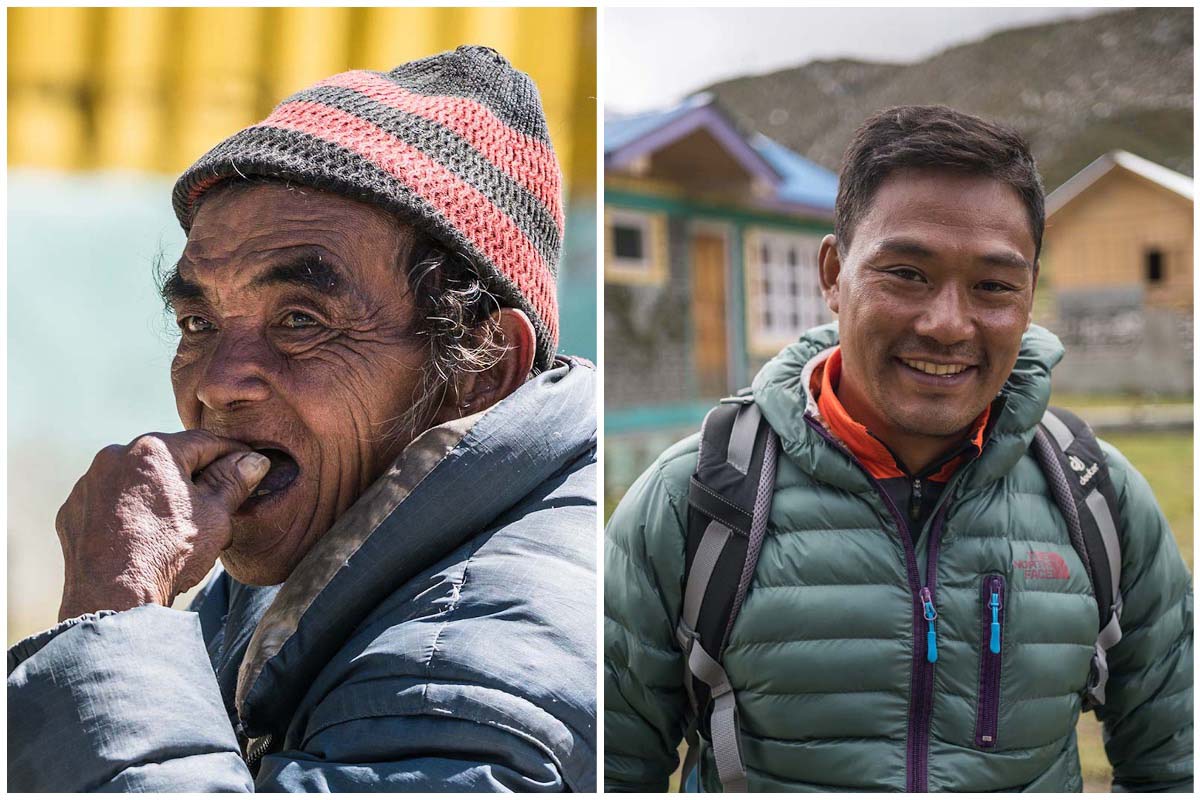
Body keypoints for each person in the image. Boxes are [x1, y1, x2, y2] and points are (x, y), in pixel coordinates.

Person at [9, 46, 596, 792]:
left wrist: (113, 615)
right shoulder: (338, 533)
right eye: (197, 322)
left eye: (299, 319)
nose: (219, 385)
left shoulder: (466, 684)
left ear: (481, 367)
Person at [604, 105, 1192, 792]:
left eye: (993, 286)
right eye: (907, 274)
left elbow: (1173, 767)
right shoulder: (699, 497)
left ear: (1031, 295)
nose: (947, 323)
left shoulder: (1096, 496)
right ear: (832, 274)